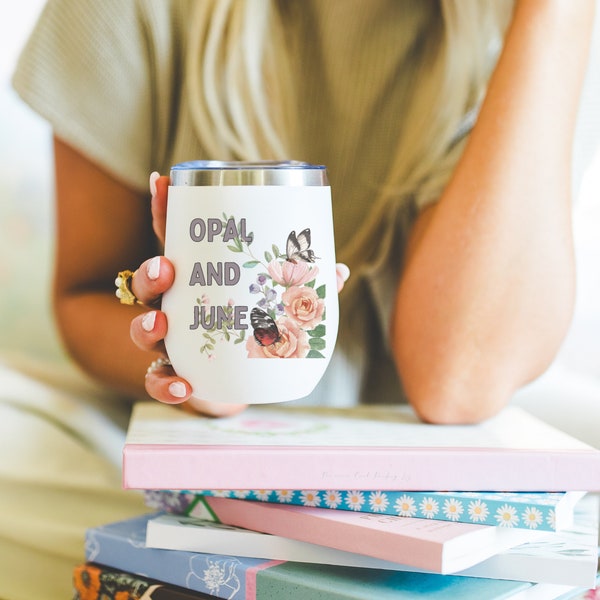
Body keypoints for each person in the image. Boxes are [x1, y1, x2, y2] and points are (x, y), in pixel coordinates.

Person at [5, 0, 596, 597]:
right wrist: (206, 376)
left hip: (412, 466)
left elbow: (461, 377)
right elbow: (84, 294)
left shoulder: (526, 33)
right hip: (177, 434)